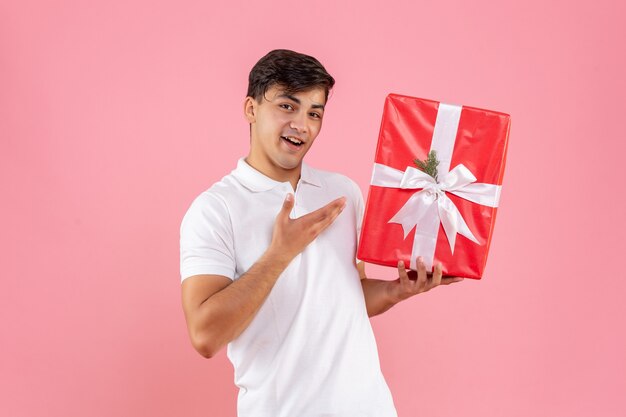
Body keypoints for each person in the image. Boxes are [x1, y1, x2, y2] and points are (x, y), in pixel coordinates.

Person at [179, 49, 464, 417]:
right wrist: (280, 253)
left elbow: (349, 293)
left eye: (314, 113)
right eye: (287, 106)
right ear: (250, 109)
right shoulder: (214, 209)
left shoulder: (342, 192)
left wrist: (395, 290)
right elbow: (205, 335)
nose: (302, 124)